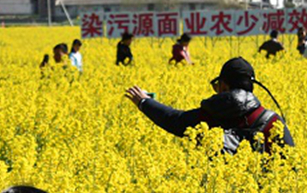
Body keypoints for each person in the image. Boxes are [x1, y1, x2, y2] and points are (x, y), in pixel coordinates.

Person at [125, 57, 295, 154]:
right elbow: (291, 163)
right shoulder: (272, 122)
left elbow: (175, 120)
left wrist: (144, 102)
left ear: (224, 86)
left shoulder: (210, 116)